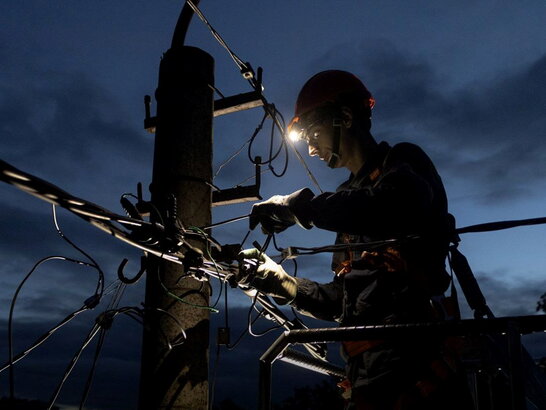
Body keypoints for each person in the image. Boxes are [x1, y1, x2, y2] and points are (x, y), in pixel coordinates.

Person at [236, 70, 473, 409]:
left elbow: (396, 204)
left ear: (345, 117)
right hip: (367, 375)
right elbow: (341, 301)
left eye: (311, 132)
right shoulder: (347, 200)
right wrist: (284, 283)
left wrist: (298, 208)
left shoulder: (403, 162)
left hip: (415, 364)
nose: (311, 147)